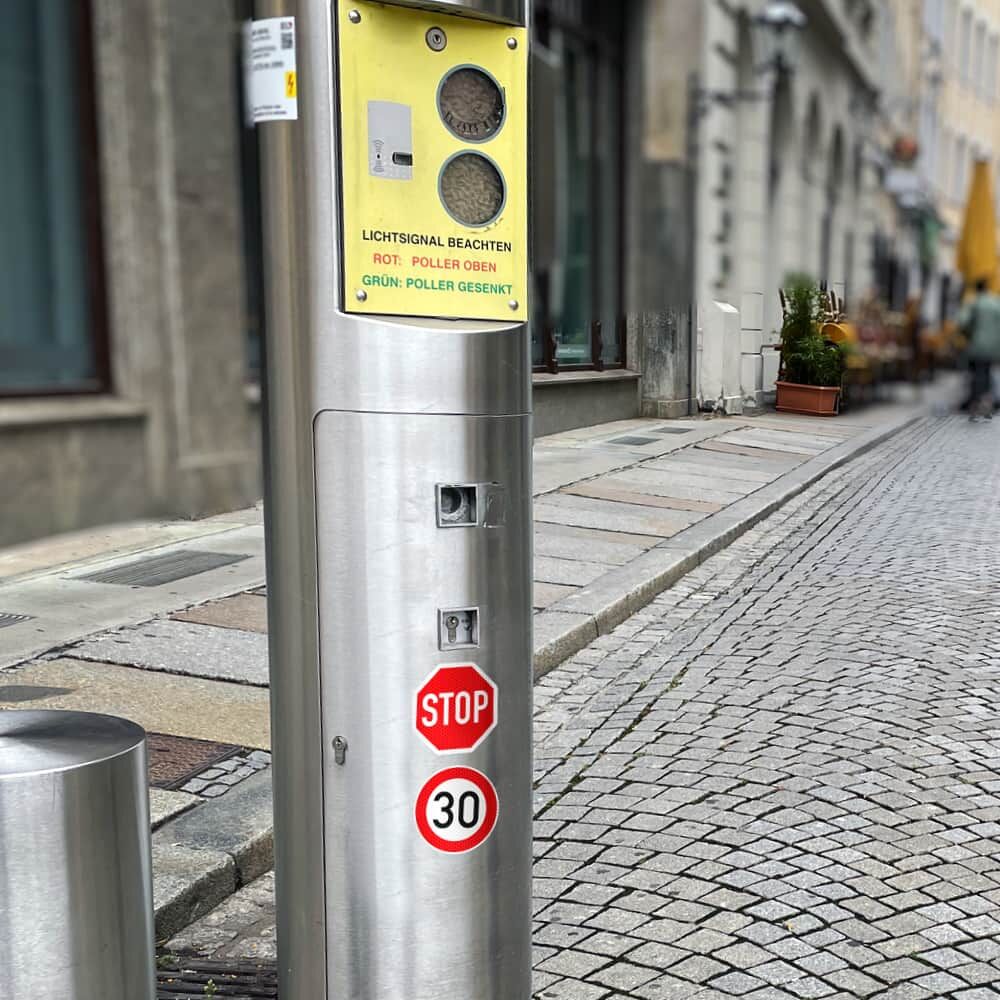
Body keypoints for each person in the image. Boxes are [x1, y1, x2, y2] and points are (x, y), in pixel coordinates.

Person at [959, 278, 1000, 420]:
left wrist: (968, 334)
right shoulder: (996, 302)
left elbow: (963, 322)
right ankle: (987, 400)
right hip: (994, 346)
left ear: (977, 289)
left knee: (977, 372)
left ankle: (976, 400)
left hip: (977, 345)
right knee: (987, 370)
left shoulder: (974, 303)